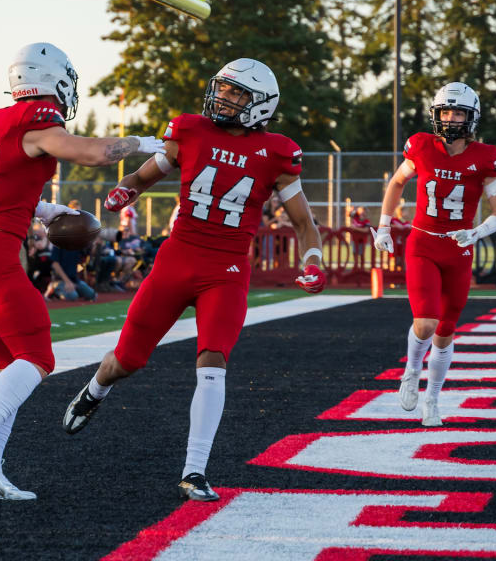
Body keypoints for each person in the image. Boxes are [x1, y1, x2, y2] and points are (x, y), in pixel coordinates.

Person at [62, 58, 327, 503]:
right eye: (222, 88)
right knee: (127, 359)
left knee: (213, 361)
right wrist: (127, 190)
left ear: (261, 104)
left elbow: (304, 223)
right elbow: (143, 175)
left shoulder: (278, 153)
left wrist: (314, 260)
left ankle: (195, 469)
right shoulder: (189, 131)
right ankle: (96, 389)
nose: (223, 98)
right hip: (176, 260)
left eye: (236, 93)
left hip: (226, 270)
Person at [0, 41, 164, 501]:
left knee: (10, 366)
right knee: (38, 357)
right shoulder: (37, 117)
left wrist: (44, 209)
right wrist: (139, 143)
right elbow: (91, 153)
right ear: (54, 80)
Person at [373, 82, 496, 428]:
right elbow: (396, 183)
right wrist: (384, 226)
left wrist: (476, 232)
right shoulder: (421, 146)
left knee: (446, 331)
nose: (450, 118)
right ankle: (411, 371)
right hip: (423, 244)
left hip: (459, 250)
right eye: (445, 111)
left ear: (471, 117)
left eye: (457, 112)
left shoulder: (485, 157)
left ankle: (432, 399)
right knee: (426, 322)